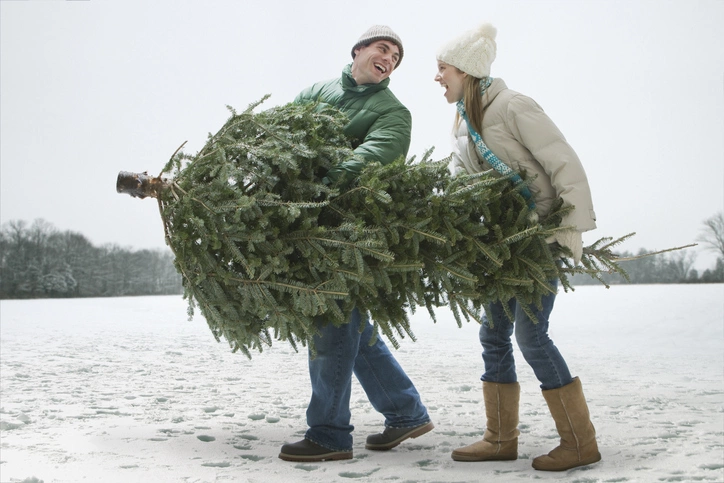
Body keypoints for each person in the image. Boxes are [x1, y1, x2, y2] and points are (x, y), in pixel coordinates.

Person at [433, 23, 601, 471]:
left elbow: (562, 160)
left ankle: (579, 442)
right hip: (498, 244)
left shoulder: (512, 106)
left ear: (466, 71)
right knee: (493, 333)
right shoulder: (464, 121)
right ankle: (499, 439)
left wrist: (570, 226)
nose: (437, 77)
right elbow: (461, 180)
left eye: (443, 68)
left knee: (531, 334)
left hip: (536, 239)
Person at [278, 25, 434, 463]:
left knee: (331, 323)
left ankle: (329, 433)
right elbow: (280, 138)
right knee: (352, 328)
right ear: (359, 50)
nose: (389, 59)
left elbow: (371, 159)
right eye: (383, 49)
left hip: (349, 232)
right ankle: (405, 412)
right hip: (305, 225)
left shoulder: (393, 112)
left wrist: (317, 188)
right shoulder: (317, 90)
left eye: (396, 58)